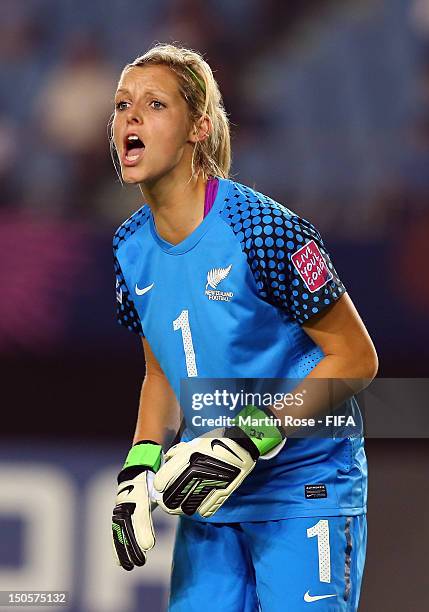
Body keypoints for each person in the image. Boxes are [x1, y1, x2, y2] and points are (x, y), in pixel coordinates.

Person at [110, 43, 378, 612]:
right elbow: (159, 373)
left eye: (154, 105)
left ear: (198, 128)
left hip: (305, 489)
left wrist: (248, 437)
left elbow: (356, 359)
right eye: (122, 104)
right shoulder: (128, 248)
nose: (129, 117)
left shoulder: (265, 229)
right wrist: (138, 472)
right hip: (212, 498)